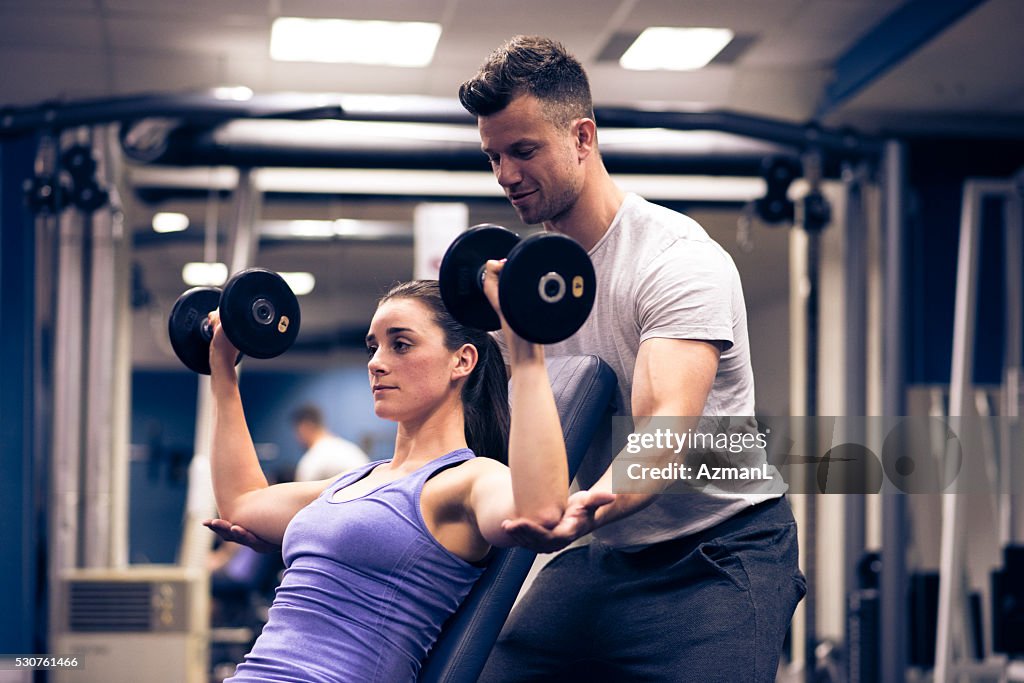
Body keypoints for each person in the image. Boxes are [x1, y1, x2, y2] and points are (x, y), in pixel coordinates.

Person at [458, 35, 805, 682]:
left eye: (523, 150)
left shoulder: (675, 260)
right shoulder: (527, 287)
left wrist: (598, 500)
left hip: (718, 552)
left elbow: (667, 423)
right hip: (607, 553)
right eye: (493, 156)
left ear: (582, 138)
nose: (505, 174)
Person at [201, 277, 609, 682]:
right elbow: (243, 501)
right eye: (373, 345)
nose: (376, 362)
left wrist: (526, 351)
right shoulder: (350, 484)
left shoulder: (468, 480)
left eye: (401, 344)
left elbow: (540, 508)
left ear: (462, 361)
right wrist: (222, 368)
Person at [290, 404, 369, 482]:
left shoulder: (313, 460)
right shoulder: (352, 449)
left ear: (305, 426)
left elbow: (303, 493)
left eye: (296, 431)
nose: (296, 437)